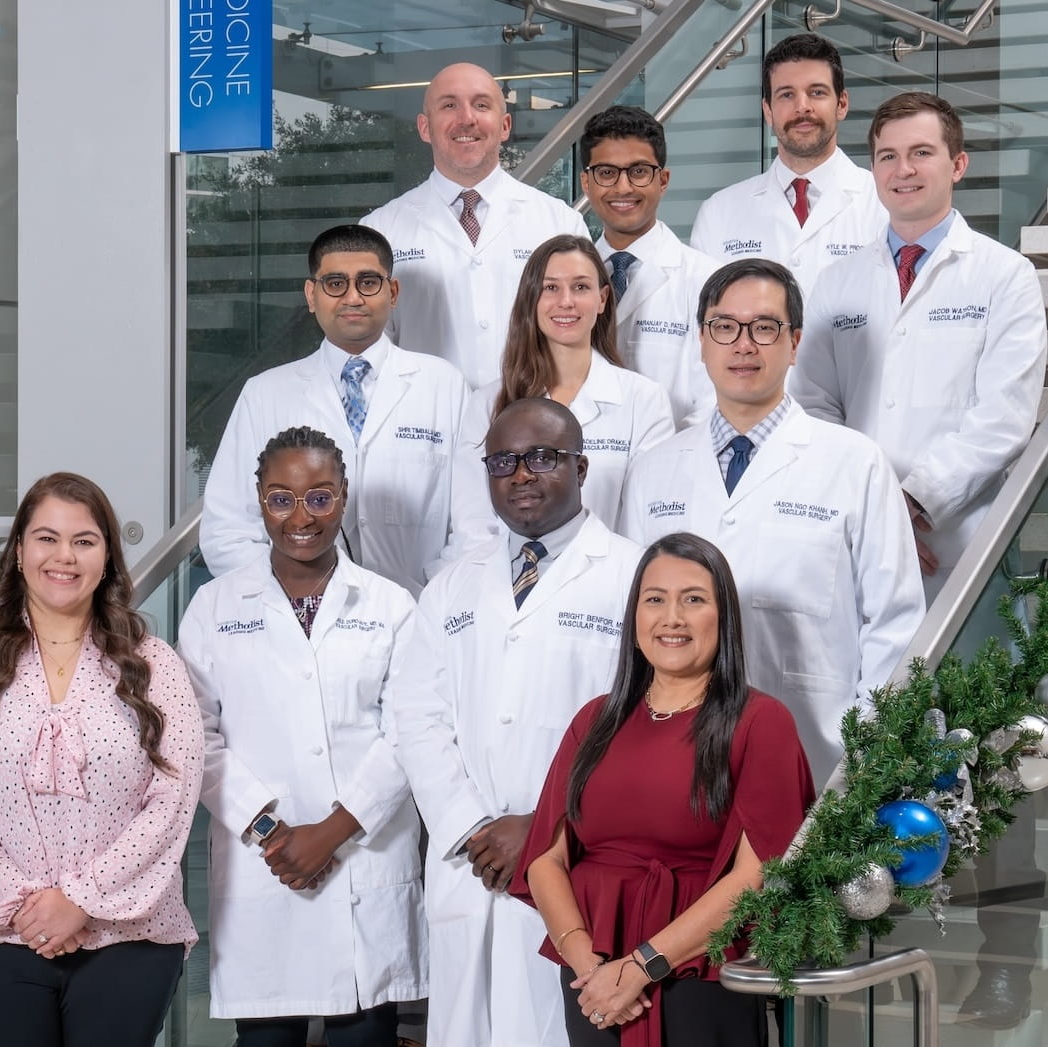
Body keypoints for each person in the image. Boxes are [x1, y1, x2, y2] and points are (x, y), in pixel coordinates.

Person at [0, 472, 203, 1047]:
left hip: (128, 936)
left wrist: (81, 902)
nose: (64, 556)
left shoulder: (155, 664)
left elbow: (173, 798)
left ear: (107, 558)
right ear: (19, 551)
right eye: (46, 538)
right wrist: (28, 909)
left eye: (84, 541)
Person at [391, 398, 644, 1047]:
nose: (521, 474)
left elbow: (641, 725)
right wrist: (471, 825)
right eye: (503, 461)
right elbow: (415, 715)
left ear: (580, 467)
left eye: (541, 457)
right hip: (470, 863)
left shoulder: (632, 578)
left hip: (576, 858)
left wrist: (545, 828)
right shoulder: (452, 586)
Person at [619, 259, 925, 788]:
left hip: (820, 760)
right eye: (724, 327)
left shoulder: (856, 464)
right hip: (675, 766)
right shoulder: (653, 471)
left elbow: (895, 627)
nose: (743, 345)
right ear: (702, 341)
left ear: (795, 342)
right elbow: (632, 625)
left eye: (764, 327)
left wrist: (866, 764)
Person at [510, 533, 815, 1046]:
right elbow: (546, 857)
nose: (672, 618)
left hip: (696, 969)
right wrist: (588, 964)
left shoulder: (761, 722)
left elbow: (759, 873)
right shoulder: (595, 720)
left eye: (693, 599)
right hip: (592, 976)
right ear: (635, 619)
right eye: (655, 599)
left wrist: (643, 965)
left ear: (724, 619)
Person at [180, 426, 428, 1046]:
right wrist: (272, 831)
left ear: (343, 497)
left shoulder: (392, 606)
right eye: (281, 498)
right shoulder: (213, 607)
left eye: (320, 497)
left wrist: (332, 831)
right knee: (266, 1037)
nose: (301, 517)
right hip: (266, 865)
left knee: (366, 1031)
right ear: (259, 500)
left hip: (362, 862)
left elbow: (409, 730)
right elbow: (194, 737)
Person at [791, 91, 1048, 603]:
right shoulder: (838, 280)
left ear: (958, 165)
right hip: (851, 528)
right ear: (873, 170)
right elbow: (813, 405)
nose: (902, 169)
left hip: (954, 537)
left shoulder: (1005, 275)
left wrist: (908, 504)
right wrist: (871, 510)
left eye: (921, 153)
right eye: (888, 156)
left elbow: (1003, 420)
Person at [200, 224, 469, 595]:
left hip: (420, 609)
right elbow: (227, 530)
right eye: (335, 284)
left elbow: (472, 524)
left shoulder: (445, 385)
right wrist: (298, 597)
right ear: (312, 295)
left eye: (368, 282)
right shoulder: (264, 394)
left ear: (392, 293)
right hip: (297, 613)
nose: (353, 298)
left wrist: (432, 598)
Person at [361, 62, 590, 388]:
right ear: (424, 127)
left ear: (505, 125)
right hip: (423, 412)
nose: (466, 118)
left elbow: (583, 340)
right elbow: (370, 347)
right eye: (449, 105)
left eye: (481, 105)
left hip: (534, 409)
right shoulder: (380, 229)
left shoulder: (560, 223)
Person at [449, 234, 673, 547]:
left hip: (613, 573)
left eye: (580, 287)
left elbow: (648, 522)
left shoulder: (645, 400)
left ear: (603, 299)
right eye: (550, 288)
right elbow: (473, 528)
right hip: (508, 572)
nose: (566, 301)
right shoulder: (487, 403)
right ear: (531, 299)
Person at [690, 33, 884, 299]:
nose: (802, 107)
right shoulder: (718, 212)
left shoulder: (884, 204)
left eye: (817, 92)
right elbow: (706, 316)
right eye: (786, 95)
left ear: (842, 104)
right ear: (768, 111)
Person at [579, 105, 717, 428]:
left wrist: (661, 453)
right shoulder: (566, 282)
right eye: (606, 173)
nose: (623, 187)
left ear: (663, 180)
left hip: (675, 453)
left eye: (639, 171)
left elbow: (715, 399)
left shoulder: (705, 281)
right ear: (586, 182)